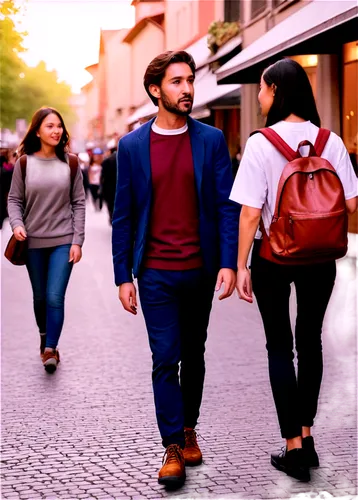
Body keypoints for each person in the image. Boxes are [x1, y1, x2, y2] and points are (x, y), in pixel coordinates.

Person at [112, 51, 239, 488]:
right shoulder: (131, 147)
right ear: (156, 90)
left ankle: (189, 428)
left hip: (201, 269)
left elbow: (226, 205)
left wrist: (229, 262)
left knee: (194, 354)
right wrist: (121, 276)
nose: (187, 89)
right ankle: (171, 446)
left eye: (190, 80)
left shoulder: (211, 139)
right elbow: (123, 216)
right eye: (177, 82)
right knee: (165, 357)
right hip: (155, 274)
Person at [230, 59, 358, 481]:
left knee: (279, 348)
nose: (262, 97)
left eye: (264, 89)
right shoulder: (331, 140)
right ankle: (309, 436)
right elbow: (351, 204)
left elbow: (250, 213)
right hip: (320, 259)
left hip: (273, 256)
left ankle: (293, 448)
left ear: (275, 91)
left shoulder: (260, 143)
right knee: (311, 344)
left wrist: (241, 264)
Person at [7, 107, 86, 373]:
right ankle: (44, 334)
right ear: (38, 131)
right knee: (40, 298)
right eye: (50, 126)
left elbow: (79, 203)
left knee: (54, 297)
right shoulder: (24, 163)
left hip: (63, 241)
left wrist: (77, 241)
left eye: (59, 126)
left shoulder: (72, 163)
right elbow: (14, 199)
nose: (56, 131)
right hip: (33, 243)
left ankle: (51, 348)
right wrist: (17, 224)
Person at [100, 141, 117, 224]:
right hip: (118, 185)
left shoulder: (106, 161)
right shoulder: (122, 158)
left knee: (110, 203)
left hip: (109, 186)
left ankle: (111, 217)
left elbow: (103, 176)